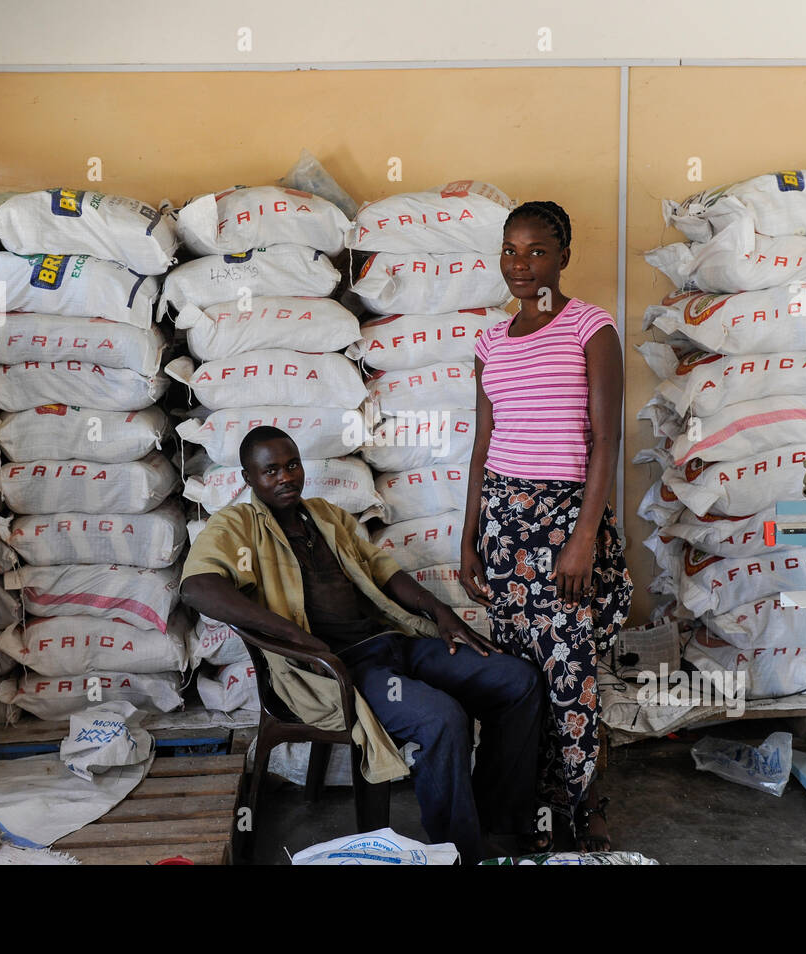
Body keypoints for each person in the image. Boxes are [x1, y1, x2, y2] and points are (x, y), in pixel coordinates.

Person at [180, 426, 547, 864]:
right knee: (441, 717)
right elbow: (198, 587)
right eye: (270, 470)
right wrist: (296, 636)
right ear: (249, 477)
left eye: (291, 465)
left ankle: (497, 816)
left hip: (393, 642)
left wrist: (438, 611)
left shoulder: (325, 516)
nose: (284, 478)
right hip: (339, 669)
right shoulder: (238, 526)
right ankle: (463, 850)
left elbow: (381, 570)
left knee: (517, 680)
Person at [459, 200, 633, 852]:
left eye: (536, 251)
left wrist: (584, 538)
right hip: (503, 529)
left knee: (572, 673)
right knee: (519, 671)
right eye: (510, 250)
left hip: (565, 525)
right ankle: (525, 803)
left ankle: (587, 809)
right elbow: (482, 446)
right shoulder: (489, 344)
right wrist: (468, 538)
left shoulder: (593, 328)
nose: (521, 265)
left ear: (564, 255)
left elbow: (606, 438)